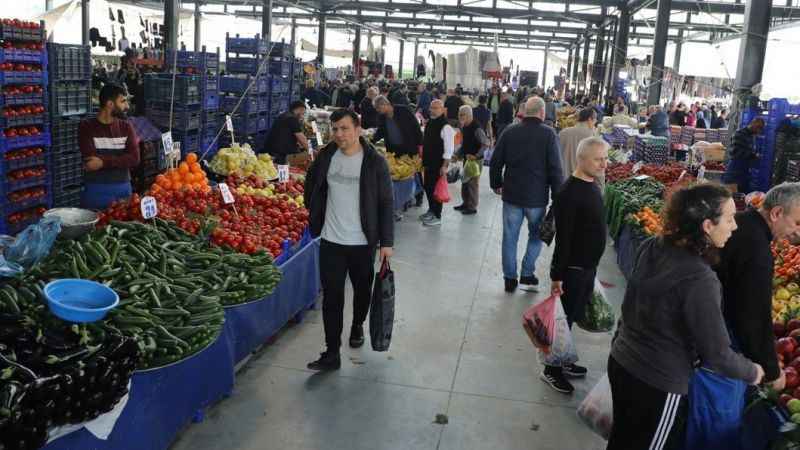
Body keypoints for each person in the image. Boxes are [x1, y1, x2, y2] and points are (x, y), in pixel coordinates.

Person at [607, 184, 764, 450]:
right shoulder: (700, 279)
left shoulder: (653, 245)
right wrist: (754, 372)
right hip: (657, 383)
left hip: (622, 361)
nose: (735, 227)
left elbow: (631, 303)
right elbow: (718, 355)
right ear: (707, 226)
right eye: (728, 219)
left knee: (622, 439)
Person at [304, 109, 395, 371]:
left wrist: (386, 243)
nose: (339, 134)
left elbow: (386, 202)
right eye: (335, 129)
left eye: (344, 128)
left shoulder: (374, 162)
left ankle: (357, 324)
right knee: (332, 297)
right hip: (332, 240)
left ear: (358, 129)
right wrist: (313, 212)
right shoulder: (326, 156)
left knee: (362, 290)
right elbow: (313, 184)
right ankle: (332, 352)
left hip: (362, 242)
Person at [716, 183, 800, 396]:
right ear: (777, 213)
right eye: (797, 223)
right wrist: (771, 371)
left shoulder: (740, 223)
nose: (797, 232)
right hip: (715, 348)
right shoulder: (757, 251)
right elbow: (752, 315)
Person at [544, 137, 609, 393]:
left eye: (605, 158)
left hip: (587, 267)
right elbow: (564, 239)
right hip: (572, 270)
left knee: (571, 318)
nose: (604, 163)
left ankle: (565, 361)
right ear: (581, 159)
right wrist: (557, 276)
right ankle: (551, 369)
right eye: (598, 159)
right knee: (563, 321)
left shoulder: (592, 184)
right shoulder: (569, 193)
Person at [490, 97, 563, 293]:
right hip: (536, 198)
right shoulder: (549, 135)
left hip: (512, 195)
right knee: (536, 236)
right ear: (542, 113)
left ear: (524, 111)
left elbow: (496, 160)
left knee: (510, 237)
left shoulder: (510, 131)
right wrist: (558, 197)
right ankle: (527, 273)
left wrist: (496, 183)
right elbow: (556, 169)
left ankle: (510, 278)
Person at [78, 83, 140, 210]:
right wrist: (121, 160)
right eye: (123, 101)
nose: (127, 106)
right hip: (95, 191)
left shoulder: (126, 127)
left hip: (122, 190)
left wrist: (103, 162)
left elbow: (134, 158)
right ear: (110, 104)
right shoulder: (86, 127)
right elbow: (91, 162)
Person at [419, 100, 456, 227]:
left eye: (436, 108)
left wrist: (444, 166)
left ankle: (437, 215)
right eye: (431, 108)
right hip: (428, 162)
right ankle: (431, 210)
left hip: (438, 164)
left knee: (436, 190)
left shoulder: (446, 127)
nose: (433, 110)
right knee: (428, 187)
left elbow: (449, 149)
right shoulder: (430, 123)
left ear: (442, 110)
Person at [454, 105, 490, 216]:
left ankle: (472, 206)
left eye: (462, 114)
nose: (460, 117)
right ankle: (465, 203)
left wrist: (476, 155)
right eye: (459, 114)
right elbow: (464, 144)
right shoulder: (465, 126)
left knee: (473, 183)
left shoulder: (477, 128)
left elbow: (486, 144)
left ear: (469, 115)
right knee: (465, 181)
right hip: (467, 158)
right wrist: (457, 154)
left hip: (476, 161)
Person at [722, 117, 765, 193]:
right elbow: (735, 152)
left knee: (742, 197)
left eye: (760, 129)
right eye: (758, 128)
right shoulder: (739, 134)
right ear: (753, 124)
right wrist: (753, 155)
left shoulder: (751, 136)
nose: (759, 131)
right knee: (731, 195)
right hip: (734, 171)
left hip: (744, 172)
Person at [265, 100, 309, 165]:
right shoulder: (292, 119)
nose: (303, 115)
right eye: (303, 112)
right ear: (300, 109)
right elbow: (302, 139)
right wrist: (311, 151)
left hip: (272, 150)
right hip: (280, 154)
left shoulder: (285, 115)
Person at [558, 107, 597, 180]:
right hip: (581, 181)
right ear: (589, 119)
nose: (595, 123)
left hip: (562, 180)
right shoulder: (591, 137)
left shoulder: (563, 133)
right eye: (595, 120)